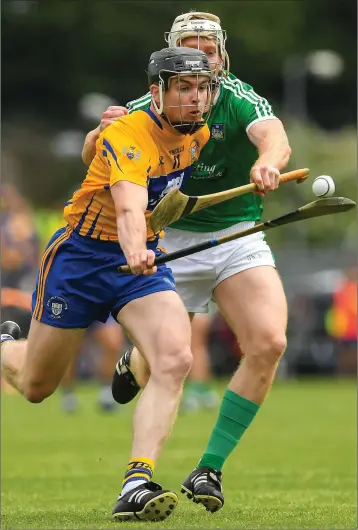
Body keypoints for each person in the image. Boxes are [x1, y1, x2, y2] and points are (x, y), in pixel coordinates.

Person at [82, 11, 291, 514]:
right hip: (168, 236)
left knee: (269, 341)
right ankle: (136, 360)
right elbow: (95, 152)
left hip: (236, 233)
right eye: (189, 50)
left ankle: (208, 469)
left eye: (208, 50)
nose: (200, 61)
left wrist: (268, 163)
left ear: (222, 55)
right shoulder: (151, 102)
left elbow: (274, 134)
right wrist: (97, 134)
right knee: (166, 358)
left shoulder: (237, 97)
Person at [0, 46, 214, 522]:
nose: (195, 99)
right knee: (36, 386)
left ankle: (136, 482)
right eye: (184, 87)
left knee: (176, 358)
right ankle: (4, 347)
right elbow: (128, 207)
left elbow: (142, 188)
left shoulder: (197, 134)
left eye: (202, 88)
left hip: (142, 265)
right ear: (157, 91)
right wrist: (136, 244)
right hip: (80, 259)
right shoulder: (131, 130)